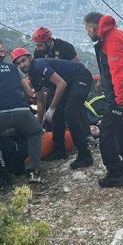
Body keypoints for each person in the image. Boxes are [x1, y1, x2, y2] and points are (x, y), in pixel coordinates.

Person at [83, 12, 123, 188]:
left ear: (93, 27)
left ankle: (115, 174)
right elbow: (111, 66)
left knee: (107, 133)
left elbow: (120, 71)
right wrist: (103, 79)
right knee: (122, 125)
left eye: (87, 29)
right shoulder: (113, 34)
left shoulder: (112, 40)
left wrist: (121, 99)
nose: (87, 33)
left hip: (121, 93)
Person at [12, 47, 95, 170]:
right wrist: (38, 125)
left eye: (23, 60)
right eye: (18, 64)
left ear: (30, 58)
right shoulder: (33, 76)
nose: (22, 65)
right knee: (57, 116)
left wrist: (51, 108)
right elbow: (40, 101)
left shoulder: (39, 65)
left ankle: (85, 154)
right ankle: (59, 150)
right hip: (68, 83)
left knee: (71, 112)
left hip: (80, 76)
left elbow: (61, 84)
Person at [0, 42, 44, 184]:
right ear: (2, 56)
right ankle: (35, 171)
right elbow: (30, 93)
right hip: (21, 112)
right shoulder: (12, 68)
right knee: (35, 133)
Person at [32, 27, 79, 159]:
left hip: (71, 82)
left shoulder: (65, 47)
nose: (38, 48)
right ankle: (58, 147)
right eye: (36, 45)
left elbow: (77, 65)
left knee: (72, 110)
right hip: (54, 86)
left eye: (40, 45)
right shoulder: (38, 54)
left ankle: (83, 139)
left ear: (48, 41)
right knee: (55, 117)